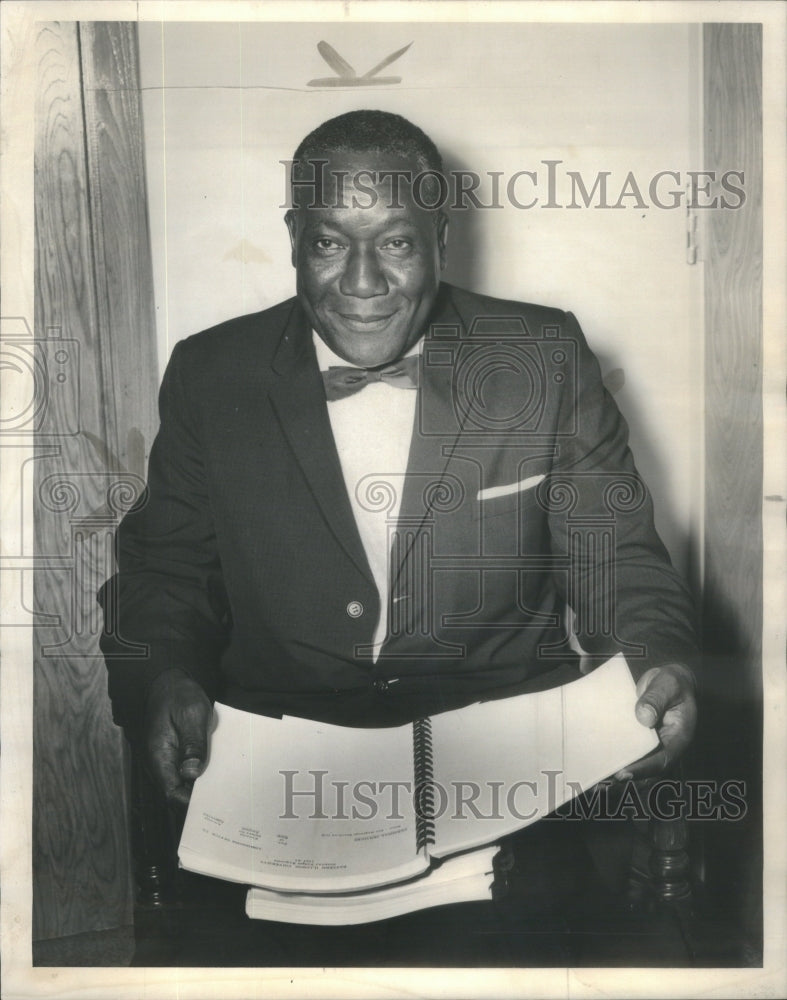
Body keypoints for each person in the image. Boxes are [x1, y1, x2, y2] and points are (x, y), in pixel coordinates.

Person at [99, 110, 697, 825]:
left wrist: (654, 661)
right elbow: (165, 570)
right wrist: (165, 677)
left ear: (441, 241)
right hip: (281, 773)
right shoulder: (210, 372)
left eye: (396, 243)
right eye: (327, 242)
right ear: (292, 238)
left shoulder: (543, 356)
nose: (361, 281)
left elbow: (616, 563)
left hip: (506, 769)